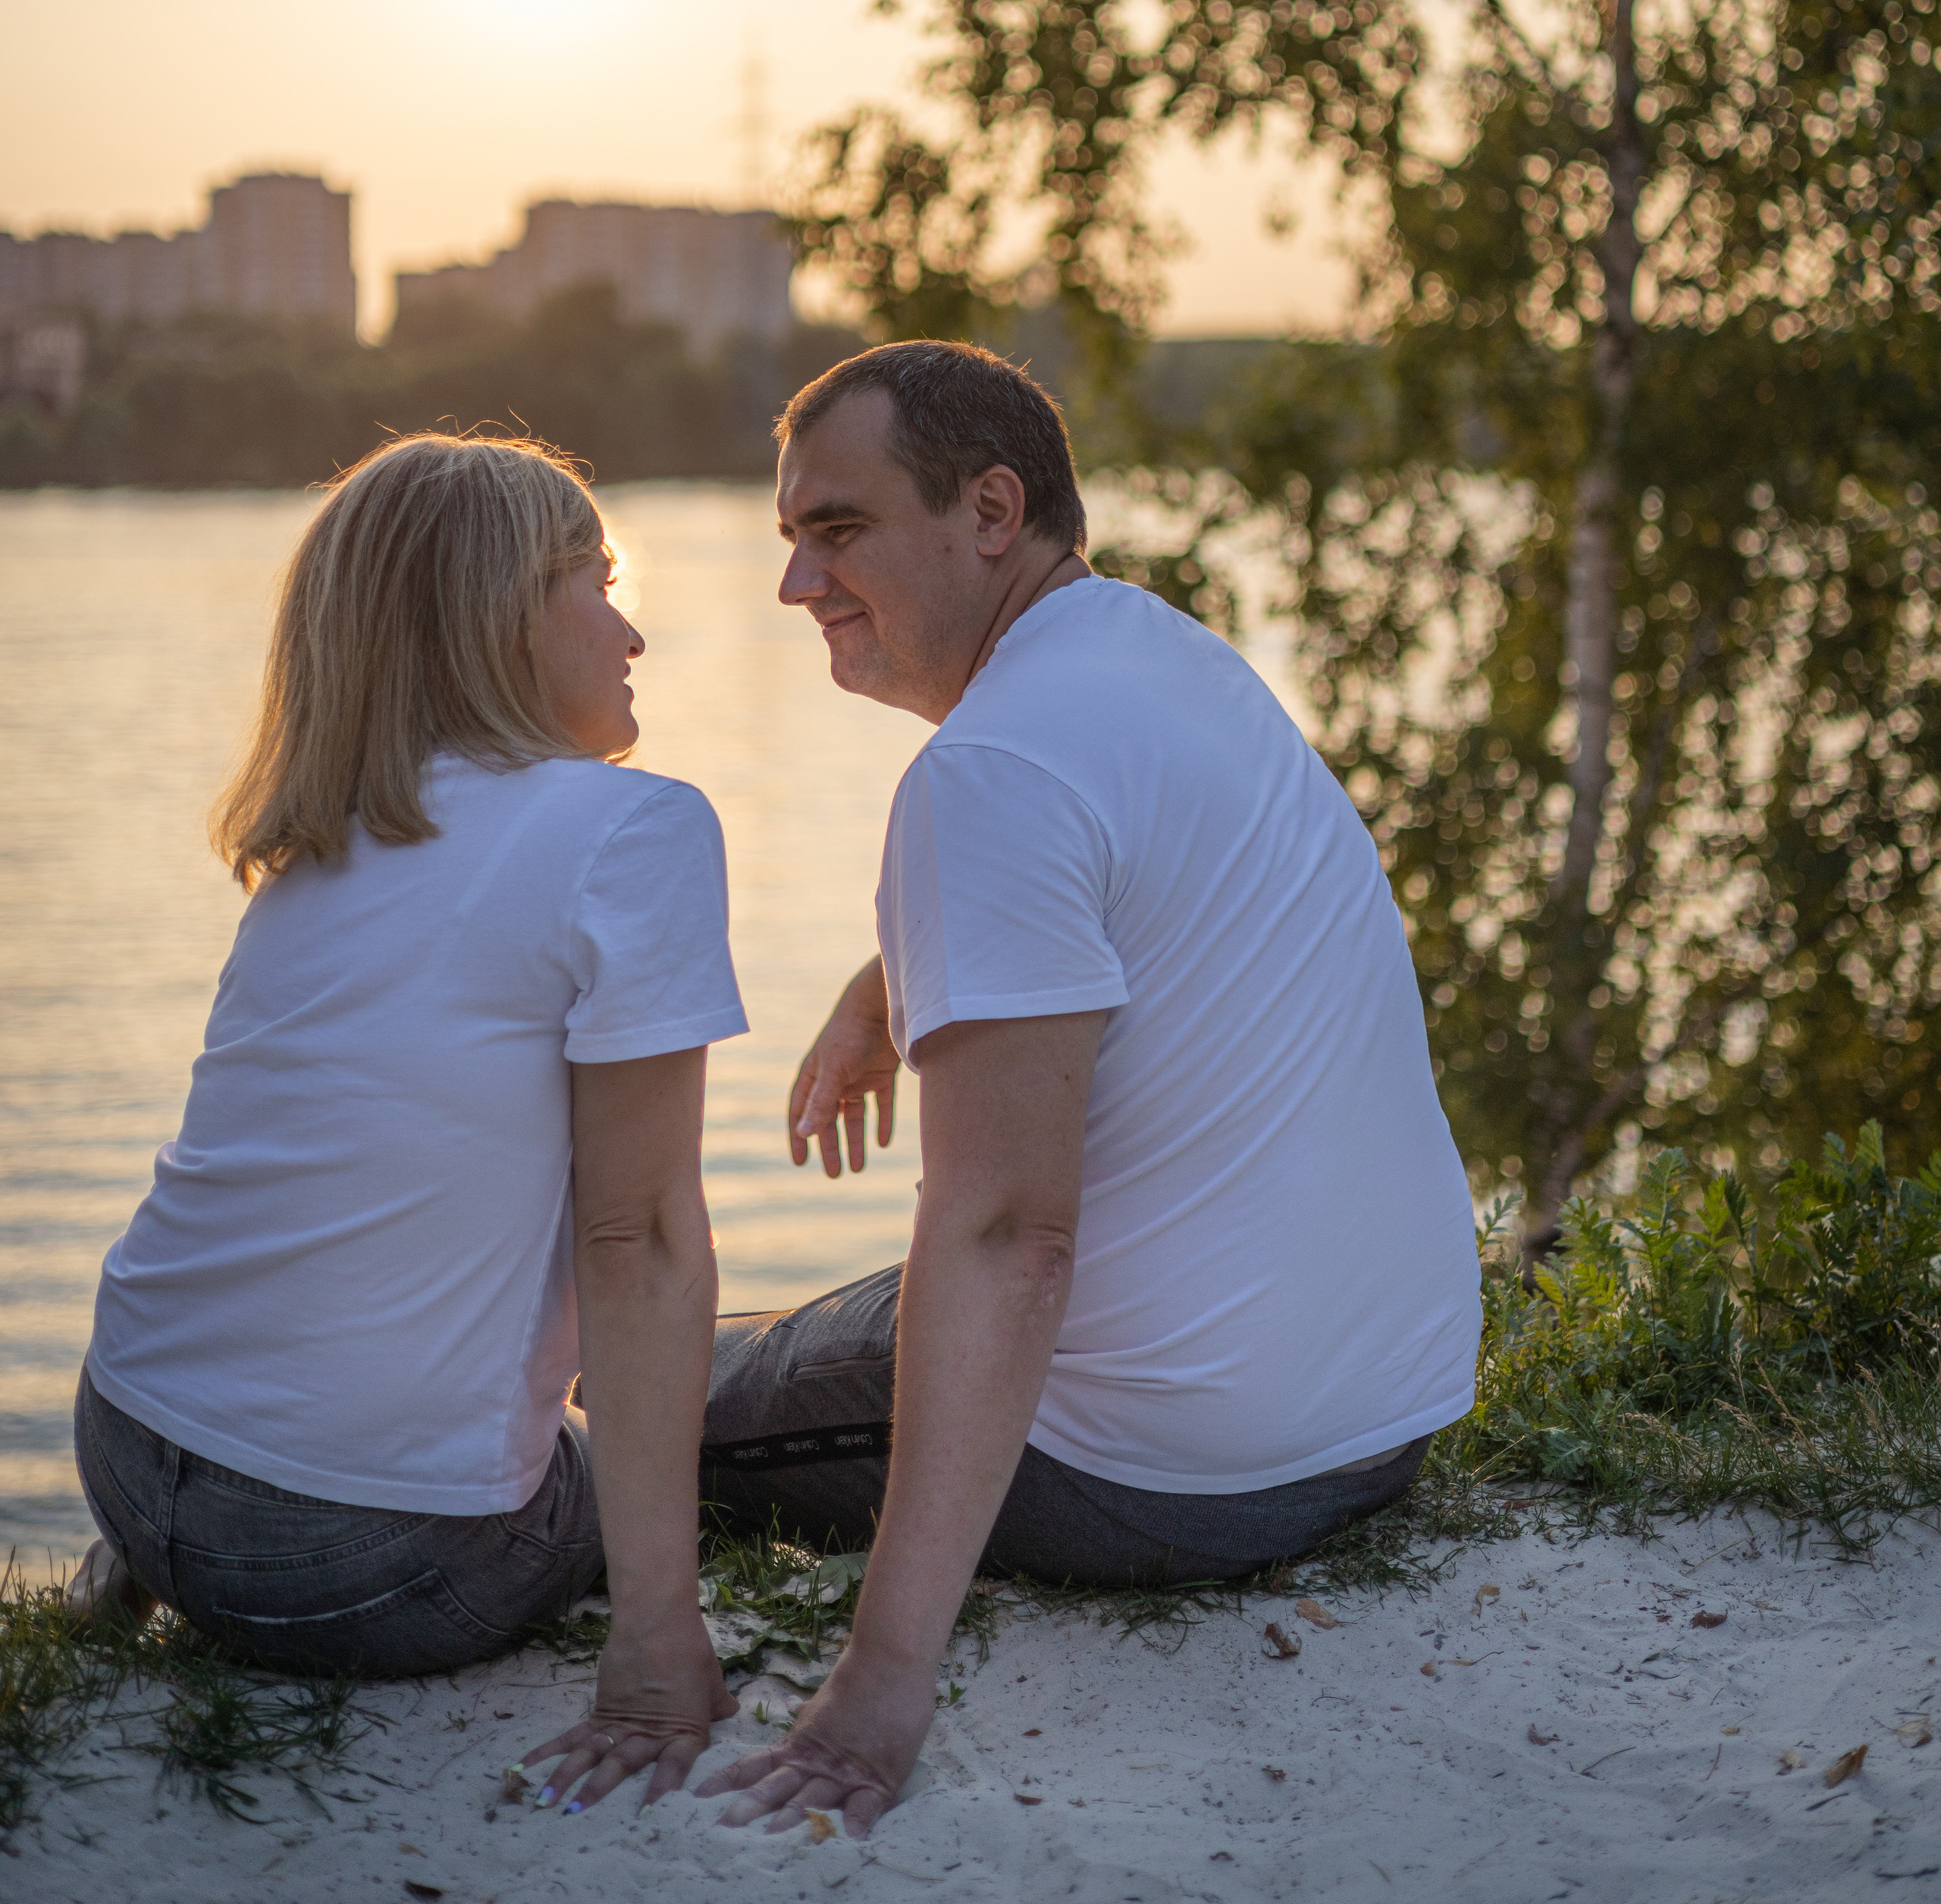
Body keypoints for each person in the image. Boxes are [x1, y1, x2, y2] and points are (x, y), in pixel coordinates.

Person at [690, 340, 1482, 1838]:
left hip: (1183, 1475)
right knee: (757, 1331)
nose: (797, 586)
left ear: (990, 510)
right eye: (789, 538)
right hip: (1380, 1417)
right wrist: (883, 988)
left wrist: (881, 1678)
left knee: (652, 1390)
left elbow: (1007, 1244)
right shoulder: (1164, 659)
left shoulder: (987, 774)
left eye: (837, 530)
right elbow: (1117, 891)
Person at [71, 432, 745, 1813]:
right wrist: (657, 1641)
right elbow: (646, 1239)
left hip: (130, 1458)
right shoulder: (634, 833)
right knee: (703, 1401)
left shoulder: (319, 848)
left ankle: (123, 1578)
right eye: (595, 582)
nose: (632, 627)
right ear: (501, 614)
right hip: (364, 1574)